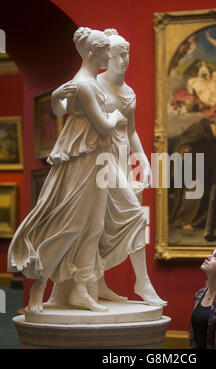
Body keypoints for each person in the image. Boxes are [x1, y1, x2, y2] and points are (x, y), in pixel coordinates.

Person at [7, 27, 125, 313]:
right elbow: (103, 125)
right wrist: (118, 115)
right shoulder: (85, 84)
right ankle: (37, 289)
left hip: (98, 158)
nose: (109, 55)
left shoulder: (89, 82)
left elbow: (60, 111)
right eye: (106, 51)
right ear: (94, 52)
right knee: (70, 225)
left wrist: (56, 96)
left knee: (94, 226)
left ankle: (81, 290)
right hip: (83, 160)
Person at [49, 29, 166, 307]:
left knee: (104, 224)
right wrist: (56, 97)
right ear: (106, 56)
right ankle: (142, 282)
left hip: (121, 159)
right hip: (100, 161)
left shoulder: (129, 92)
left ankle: (98, 284)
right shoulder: (92, 84)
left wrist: (143, 161)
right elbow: (63, 109)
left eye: (127, 54)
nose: (124, 60)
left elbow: (132, 131)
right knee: (129, 217)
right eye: (118, 55)